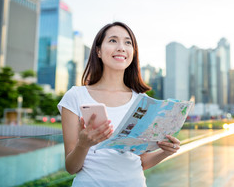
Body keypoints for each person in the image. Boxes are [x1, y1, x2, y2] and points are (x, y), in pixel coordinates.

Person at [58, 22, 181, 186]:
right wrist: (83, 144)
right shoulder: (75, 96)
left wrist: (165, 152)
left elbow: (141, 162)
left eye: (128, 42)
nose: (122, 47)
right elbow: (71, 167)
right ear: (98, 51)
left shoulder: (142, 101)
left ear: (133, 52)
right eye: (113, 40)